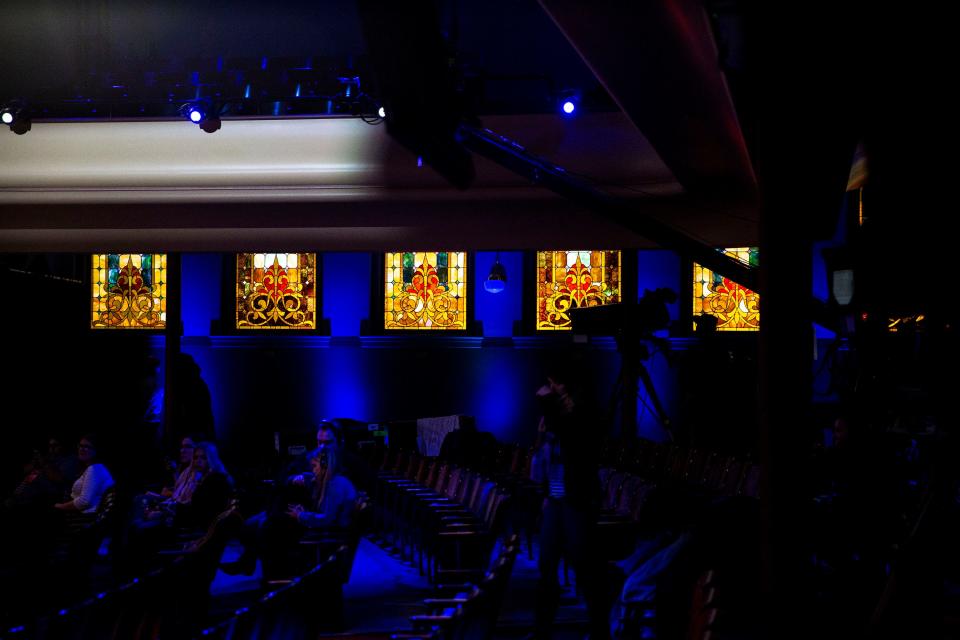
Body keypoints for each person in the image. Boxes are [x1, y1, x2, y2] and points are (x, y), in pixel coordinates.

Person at [532, 365, 609, 640]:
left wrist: (547, 405)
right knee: (546, 566)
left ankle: (600, 628)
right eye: (550, 384)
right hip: (555, 499)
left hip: (576, 500)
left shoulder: (582, 413)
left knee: (584, 564)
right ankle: (542, 630)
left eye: (556, 385)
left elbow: (574, 443)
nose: (551, 389)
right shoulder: (554, 416)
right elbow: (543, 453)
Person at [222, 444, 356, 576]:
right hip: (315, 521)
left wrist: (301, 515)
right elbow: (296, 479)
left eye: (315, 466)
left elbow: (327, 519)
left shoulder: (336, 485)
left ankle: (256, 565)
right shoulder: (326, 480)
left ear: (325, 465)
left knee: (267, 527)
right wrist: (295, 479)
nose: (313, 470)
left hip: (329, 532)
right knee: (270, 510)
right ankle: (250, 558)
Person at [54, 434, 114, 515]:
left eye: (87, 447)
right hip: (78, 511)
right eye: (80, 446)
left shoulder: (94, 469)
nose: (81, 449)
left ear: (96, 450)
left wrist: (60, 506)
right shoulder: (94, 468)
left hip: (83, 517)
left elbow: (84, 501)